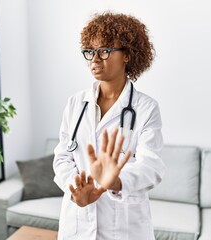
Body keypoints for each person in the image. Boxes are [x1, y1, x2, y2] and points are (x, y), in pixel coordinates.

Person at [53, 11, 165, 240]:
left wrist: (115, 181)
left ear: (127, 55)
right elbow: (62, 157)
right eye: (90, 52)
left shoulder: (146, 108)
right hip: (78, 224)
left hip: (125, 228)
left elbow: (151, 167)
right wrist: (76, 191)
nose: (94, 59)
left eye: (104, 51)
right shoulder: (76, 103)